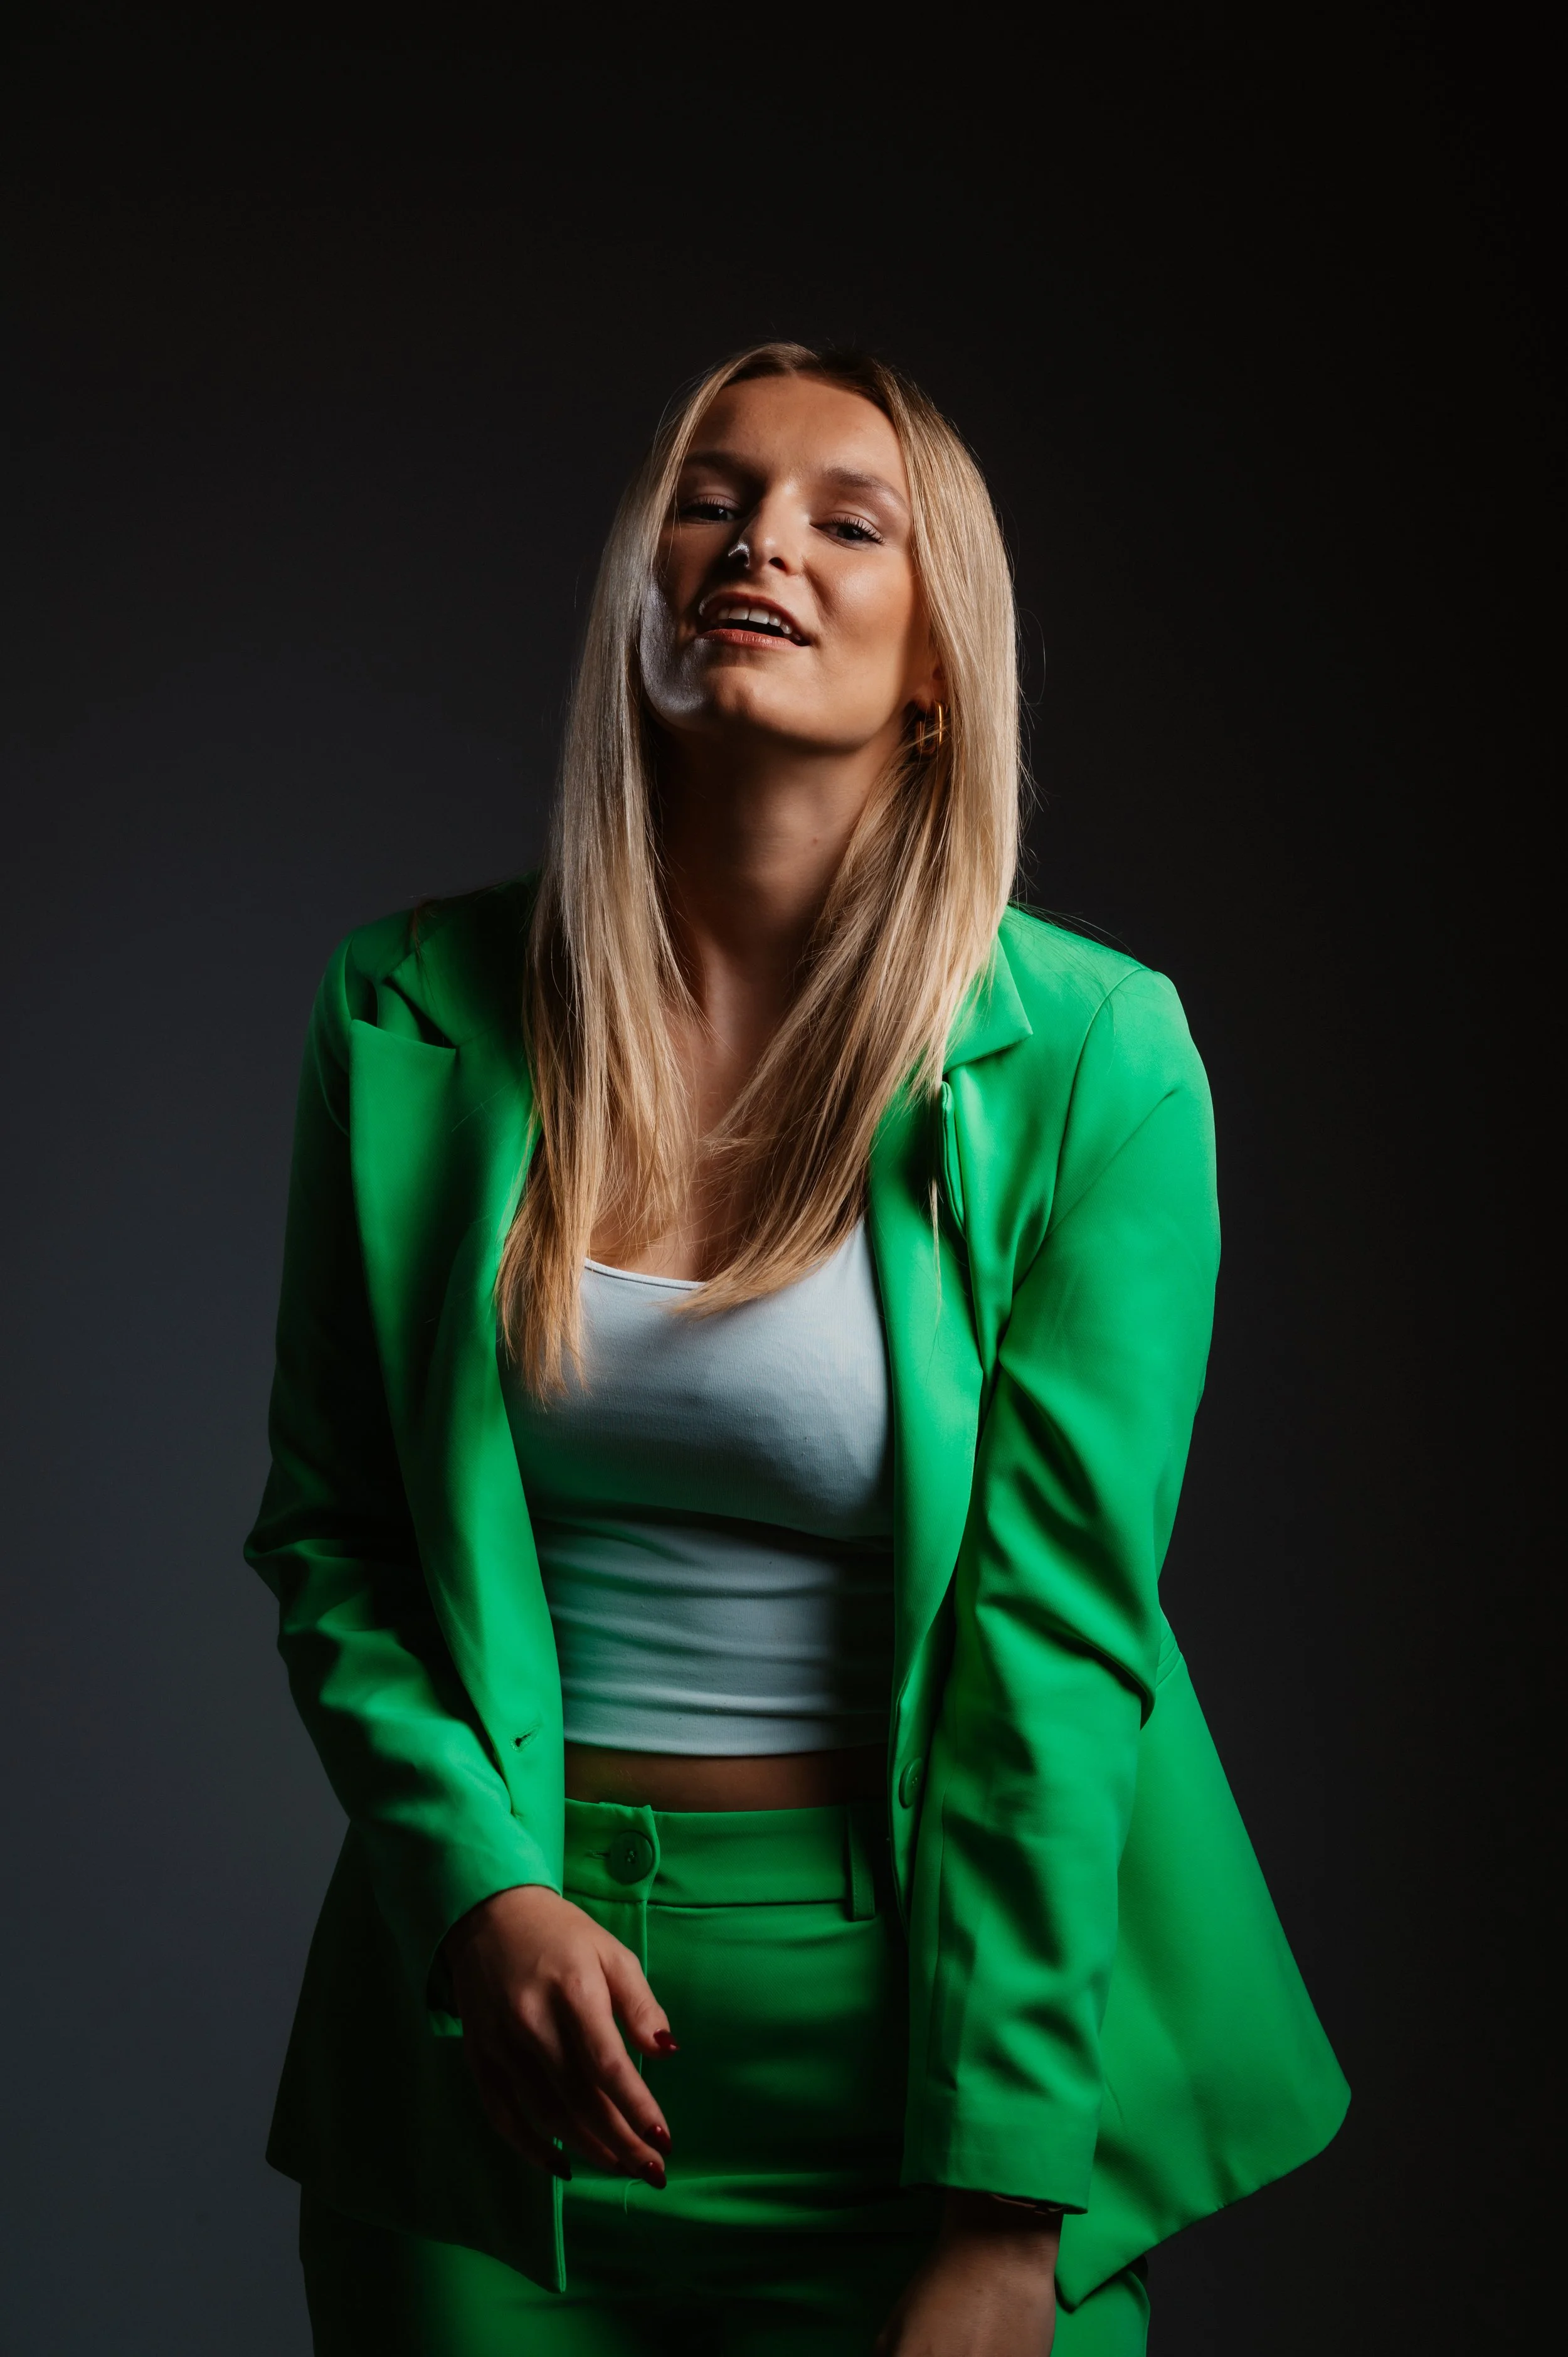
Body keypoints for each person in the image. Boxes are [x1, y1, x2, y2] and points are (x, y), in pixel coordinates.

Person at [246, 342, 1348, 2356]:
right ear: (636, 588)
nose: (761, 540)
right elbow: (331, 1533)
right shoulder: (405, 1006)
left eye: (851, 520)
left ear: (938, 659)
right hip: (490, 2061)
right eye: (709, 495)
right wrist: (475, 1896)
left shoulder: (1096, 1056)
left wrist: (1007, 2204)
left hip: (921, 2059)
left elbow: (1057, 1650)